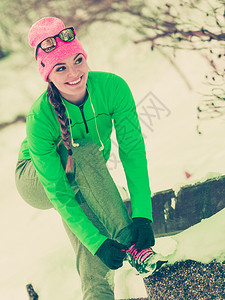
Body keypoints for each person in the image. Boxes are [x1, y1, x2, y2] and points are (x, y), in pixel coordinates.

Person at [15, 17, 163, 300]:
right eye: (60, 67)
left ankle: (97, 294)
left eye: (77, 60)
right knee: (80, 151)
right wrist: (99, 242)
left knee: (91, 237)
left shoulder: (112, 88)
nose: (73, 73)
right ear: (47, 74)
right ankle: (133, 246)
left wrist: (143, 215)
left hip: (82, 173)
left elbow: (132, 153)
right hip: (35, 179)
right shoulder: (40, 117)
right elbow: (58, 191)